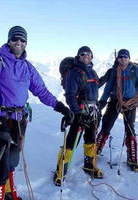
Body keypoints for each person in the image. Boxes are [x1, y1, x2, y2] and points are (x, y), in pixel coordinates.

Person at [0, 26, 74, 200]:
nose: (18, 42)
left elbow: (41, 90)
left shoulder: (27, 67)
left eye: (22, 40)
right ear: (9, 41)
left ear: (26, 43)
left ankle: (10, 194)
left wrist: (60, 106)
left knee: (13, 162)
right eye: (15, 39)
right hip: (1, 120)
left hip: (19, 120)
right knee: (1, 167)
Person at [53, 46, 103, 186]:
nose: (86, 56)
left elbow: (95, 88)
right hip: (80, 113)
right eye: (83, 54)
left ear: (92, 57)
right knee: (70, 143)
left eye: (89, 54)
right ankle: (60, 171)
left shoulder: (92, 72)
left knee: (90, 140)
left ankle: (89, 165)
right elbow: (70, 95)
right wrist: (76, 112)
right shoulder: (74, 73)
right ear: (78, 56)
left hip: (92, 113)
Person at [96, 49, 138, 172]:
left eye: (125, 57)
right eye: (120, 57)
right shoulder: (115, 71)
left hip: (130, 103)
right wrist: (102, 102)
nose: (123, 59)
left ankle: (132, 158)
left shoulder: (135, 70)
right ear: (117, 59)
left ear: (129, 58)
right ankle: (96, 149)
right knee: (106, 125)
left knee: (130, 129)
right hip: (115, 101)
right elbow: (108, 88)